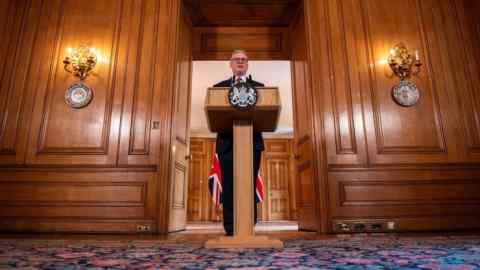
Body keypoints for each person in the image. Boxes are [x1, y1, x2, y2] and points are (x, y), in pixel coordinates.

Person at [213, 49, 265, 236]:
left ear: (247, 64)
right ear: (231, 64)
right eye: (237, 59)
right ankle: (230, 226)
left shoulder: (260, 88)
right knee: (229, 185)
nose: (240, 62)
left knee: (248, 183)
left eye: (244, 59)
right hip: (227, 144)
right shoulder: (218, 88)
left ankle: (249, 225)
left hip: (252, 143)